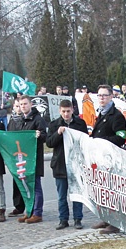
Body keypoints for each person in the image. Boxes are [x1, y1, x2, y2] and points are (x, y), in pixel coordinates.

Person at [89, 84, 126, 233]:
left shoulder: (116, 115)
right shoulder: (101, 114)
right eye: (99, 95)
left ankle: (116, 223)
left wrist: (101, 141)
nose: (101, 98)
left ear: (111, 97)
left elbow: (121, 138)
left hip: (112, 159)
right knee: (103, 191)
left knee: (113, 192)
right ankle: (106, 219)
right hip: (100, 159)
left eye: (104, 95)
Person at [46, 98, 88, 230]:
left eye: (68, 111)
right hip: (60, 164)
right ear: (60, 111)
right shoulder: (54, 124)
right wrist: (58, 133)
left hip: (76, 164)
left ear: (72, 110)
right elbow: (49, 143)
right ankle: (63, 219)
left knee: (77, 194)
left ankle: (77, 219)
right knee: (61, 196)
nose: (66, 114)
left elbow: (85, 141)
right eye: (63, 111)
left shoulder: (80, 123)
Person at [7, 95, 48, 223]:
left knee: (35, 186)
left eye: (25, 104)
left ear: (31, 105)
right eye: (21, 104)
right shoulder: (20, 120)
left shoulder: (37, 119)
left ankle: (37, 212)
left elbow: (45, 137)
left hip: (34, 159)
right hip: (23, 160)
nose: (23, 106)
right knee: (26, 187)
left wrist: (39, 135)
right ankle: (28, 211)